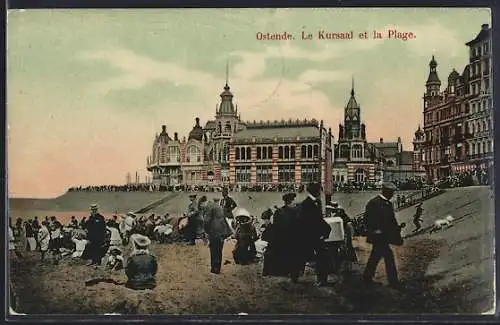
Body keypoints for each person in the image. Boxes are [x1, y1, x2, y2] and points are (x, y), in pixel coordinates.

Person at [362, 182, 404, 289]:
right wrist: (373, 230)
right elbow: (367, 219)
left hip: (384, 236)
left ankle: (367, 277)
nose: (393, 195)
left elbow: (391, 221)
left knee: (375, 256)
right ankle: (393, 282)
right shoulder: (374, 203)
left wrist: (396, 234)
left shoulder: (387, 203)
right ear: (387, 192)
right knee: (388, 257)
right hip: (378, 236)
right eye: (391, 192)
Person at [291, 183, 331, 285]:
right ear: (317, 192)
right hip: (310, 235)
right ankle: (296, 275)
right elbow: (312, 220)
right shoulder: (307, 204)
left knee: (310, 256)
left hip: (312, 235)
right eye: (319, 191)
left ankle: (321, 279)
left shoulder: (313, 202)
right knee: (306, 256)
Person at [262, 192, 299, 277]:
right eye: (293, 201)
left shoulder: (279, 211)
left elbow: (275, 226)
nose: (294, 202)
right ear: (290, 201)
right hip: (291, 239)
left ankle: (281, 270)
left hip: (280, 239)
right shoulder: (294, 212)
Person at [201, 196, 233, 274]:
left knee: (213, 250)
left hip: (214, 231)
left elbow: (206, 221)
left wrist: (206, 231)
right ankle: (217, 268)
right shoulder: (220, 207)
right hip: (221, 231)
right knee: (219, 250)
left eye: (201, 205)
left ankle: (214, 268)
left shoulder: (209, 207)